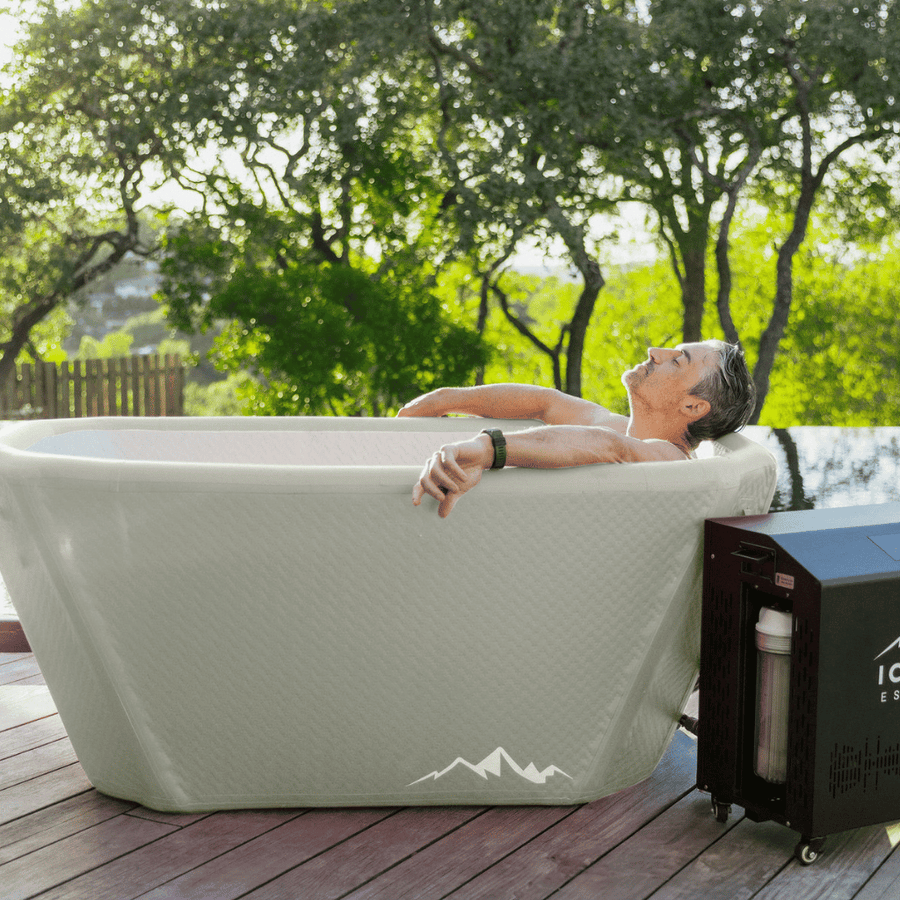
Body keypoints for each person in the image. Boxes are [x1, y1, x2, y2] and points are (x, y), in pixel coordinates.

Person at [399, 339, 756, 517]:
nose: (654, 351)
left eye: (677, 360)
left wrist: (489, 449)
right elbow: (545, 403)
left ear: (693, 406)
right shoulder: (623, 429)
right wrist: (444, 399)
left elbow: (605, 446)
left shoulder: (670, 458)